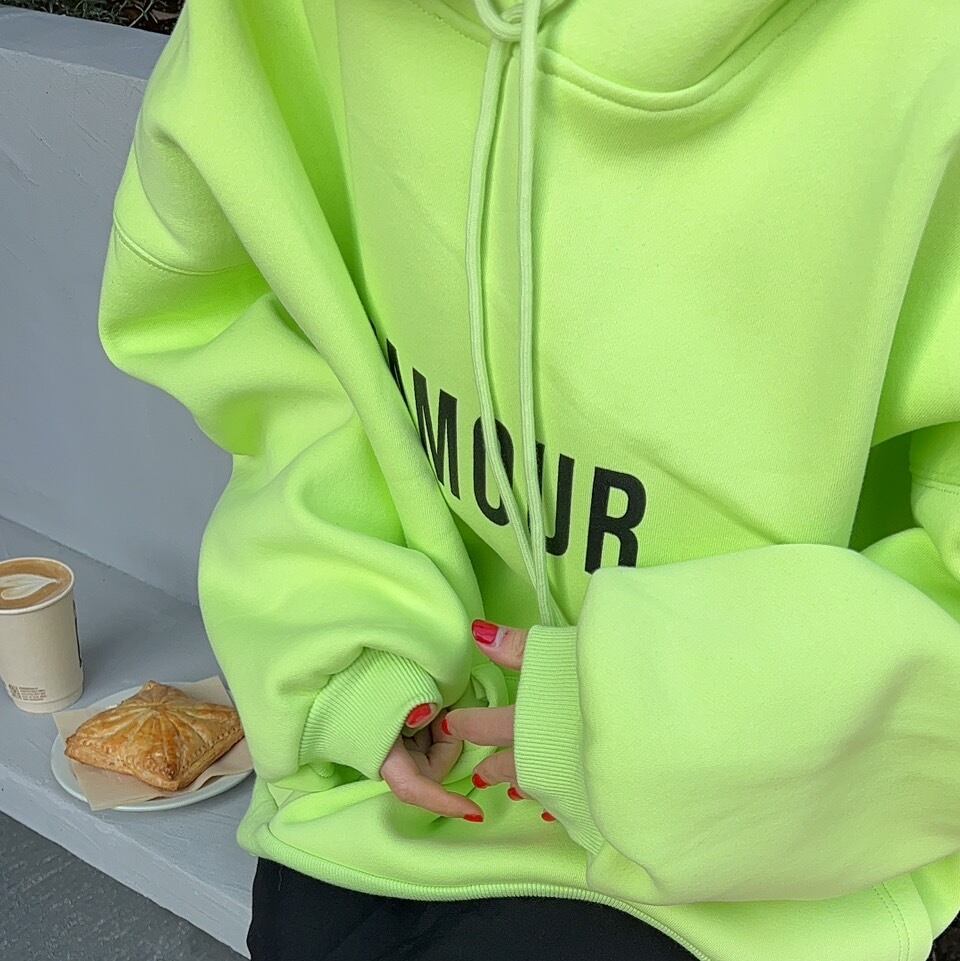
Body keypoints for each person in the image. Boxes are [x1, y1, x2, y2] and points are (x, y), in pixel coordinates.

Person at [95, 0, 960, 958]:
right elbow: (255, 328)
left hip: (780, 857)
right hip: (388, 769)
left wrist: (663, 720)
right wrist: (342, 646)